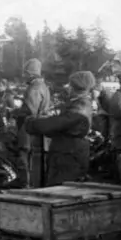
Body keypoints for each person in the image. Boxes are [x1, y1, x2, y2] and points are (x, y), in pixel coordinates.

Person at [25, 71, 95, 186]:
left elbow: (57, 123)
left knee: (61, 188)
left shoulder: (80, 106)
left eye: (70, 85)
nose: (68, 87)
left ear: (75, 87)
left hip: (69, 155)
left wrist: (31, 123)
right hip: (68, 152)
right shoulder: (79, 103)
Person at [12, 58, 52, 188]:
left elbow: (31, 111)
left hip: (30, 126)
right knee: (36, 159)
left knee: (24, 156)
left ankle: (26, 184)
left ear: (31, 73)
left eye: (26, 73)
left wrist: (15, 112)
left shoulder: (34, 88)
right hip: (40, 126)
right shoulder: (43, 86)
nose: (24, 75)